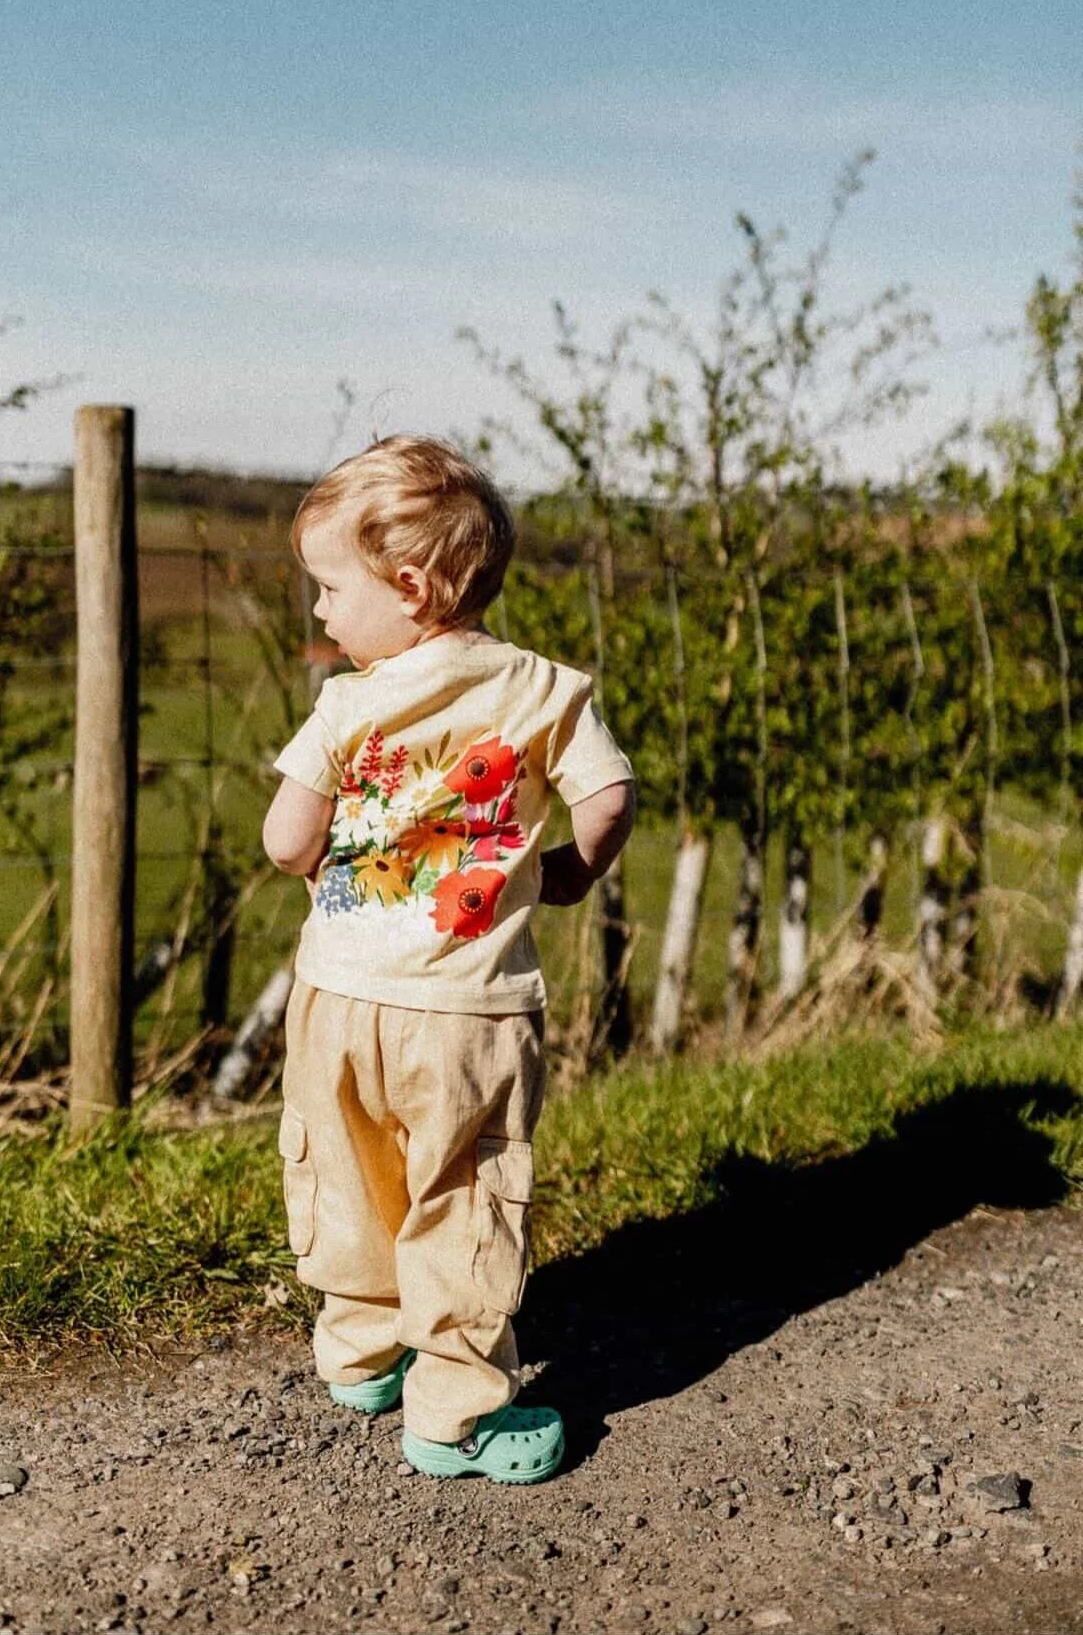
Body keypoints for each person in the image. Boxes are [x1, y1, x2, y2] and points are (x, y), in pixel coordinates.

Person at [262, 434, 636, 1483]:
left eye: (331, 587)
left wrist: (325, 866)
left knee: (352, 1172)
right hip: (468, 1012)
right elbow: (609, 798)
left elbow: (285, 841)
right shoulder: (543, 690)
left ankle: (360, 1353)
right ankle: (454, 1408)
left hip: (337, 999)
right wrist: (568, 872)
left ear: (411, 587)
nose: (322, 612)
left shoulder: (346, 703)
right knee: (461, 1197)